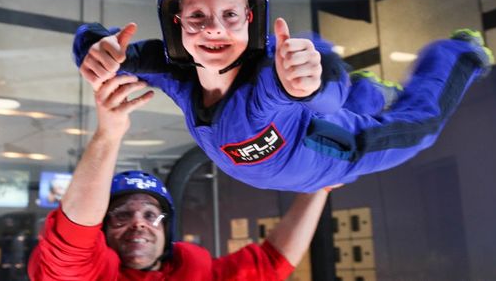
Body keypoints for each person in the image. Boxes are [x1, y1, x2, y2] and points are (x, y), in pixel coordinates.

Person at [74, 0, 493, 192]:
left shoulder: (270, 79)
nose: (213, 30)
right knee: (352, 96)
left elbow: (325, 90)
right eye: (197, 17)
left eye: (230, 15)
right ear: (176, 23)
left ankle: (457, 54)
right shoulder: (175, 71)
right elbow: (107, 53)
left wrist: (307, 84)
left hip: (335, 152)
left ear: (252, 17)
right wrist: (94, 47)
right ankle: (369, 90)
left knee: (421, 127)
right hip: (298, 166)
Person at [28, 75, 332, 280]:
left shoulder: (192, 272)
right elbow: (72, 238)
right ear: (103, 230)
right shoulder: (87, 273)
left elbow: (269, 264)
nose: (139, 222)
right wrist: (108, 134)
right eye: (121, 215)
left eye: (151, 214)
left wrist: (320, 186)